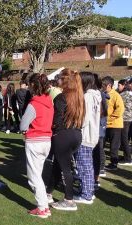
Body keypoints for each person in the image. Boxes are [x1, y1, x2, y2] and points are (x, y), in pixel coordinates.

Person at [47, 69, 84, 211]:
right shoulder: (79, 98)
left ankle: (69, 200)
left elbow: (56, 119)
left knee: (65, 169)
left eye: (60, 78)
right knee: (58, 164)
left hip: (63, 135)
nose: (58, 80)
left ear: (65, 80)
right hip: (76, 135)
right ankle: (48, 192)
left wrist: (53, 130)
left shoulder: (62, 97)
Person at [20, 73, 53, 218]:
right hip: (46, 141)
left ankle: (42, 208)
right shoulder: (49, 101)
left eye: (29, 84)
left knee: (34, 177)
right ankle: (44, 206)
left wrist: (25, 131)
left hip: (35, 141)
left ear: (33, 85)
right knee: (37, 175)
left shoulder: (34, 104)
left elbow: (22, 125)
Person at [73, 72, 101, 204]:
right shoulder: (96, 95)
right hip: (92, 134)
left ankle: (86, 195)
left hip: (86, 135)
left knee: (85, 166)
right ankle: (87, 190)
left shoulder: (88, 97)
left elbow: (85, 118)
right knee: (87, 165)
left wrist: (76, 125)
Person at [102, 76, 125, 170]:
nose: (102, 86)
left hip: (115, 125)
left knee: (114, 145)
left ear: (109, 85)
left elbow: (120, 110)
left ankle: (114, 164)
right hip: (105, 124)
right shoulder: (103, 94)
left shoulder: (116, 95)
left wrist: (109, 118)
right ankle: (101, 163)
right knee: (102, 144)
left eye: (103, 85)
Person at [93, 74, 109, 186]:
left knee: (98, 152)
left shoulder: (99, 95)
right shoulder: (100, 94)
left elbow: (103, 111)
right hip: (99, 127)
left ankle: (97, 176)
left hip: (98, 128)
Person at [117, 79, 132, 166]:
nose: (118, 87)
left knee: (124, 139)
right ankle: (126, 156)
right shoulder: (129, 94)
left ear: (123, 86)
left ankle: (127, 158)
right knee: (125, 138)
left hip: (125, 119)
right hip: (129, 118)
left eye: (119, 85)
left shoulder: (122, 95)